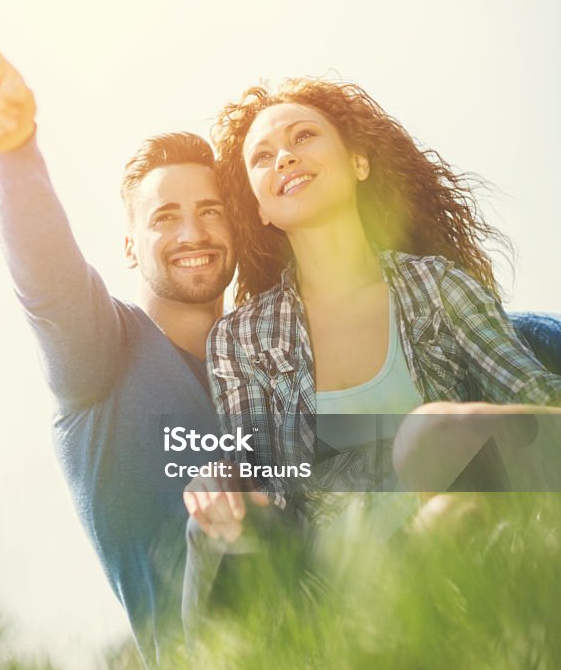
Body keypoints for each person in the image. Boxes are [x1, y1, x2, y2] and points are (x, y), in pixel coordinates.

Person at [0, 19, 235, 667]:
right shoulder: (100, 358)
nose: (192, 231)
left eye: (211, 210)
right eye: (164, 217)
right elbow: (48, 279)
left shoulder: (269, 361)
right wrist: (14, 149)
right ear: (130, 245)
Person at [184, 79, 561, 549]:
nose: (284, 157)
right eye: (263, 157)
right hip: (344, 581)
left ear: (358, 162)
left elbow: (536, 402)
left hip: (474, 534)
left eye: (303, 136)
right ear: (259, 207)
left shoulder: (438, 287)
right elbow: (269, 492)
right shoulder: (240, 339)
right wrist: (223, 484)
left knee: (436, 456)